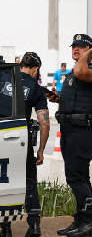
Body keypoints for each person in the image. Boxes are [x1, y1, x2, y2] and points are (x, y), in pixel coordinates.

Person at [0, 52, 50, 237]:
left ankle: (6, 229)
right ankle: (34, 227)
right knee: (29, 183)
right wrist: (41, 150)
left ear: (21, 65)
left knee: (2, 181)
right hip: (20, 139)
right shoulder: (35, 87)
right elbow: (44, 122)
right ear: (35, 69)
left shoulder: (2, 77)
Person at [54, 34, 92, 237]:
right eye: (74, 46)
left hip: (81, 131)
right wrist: (57, 99)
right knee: (79, 177)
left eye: (81, 46)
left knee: (76, 177)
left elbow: (81, 71)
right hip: (69, 130)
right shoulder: (73, 72)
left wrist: (89, 54)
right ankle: (81, 220)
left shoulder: (86, 69)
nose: (76, 49)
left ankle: (88, 221)